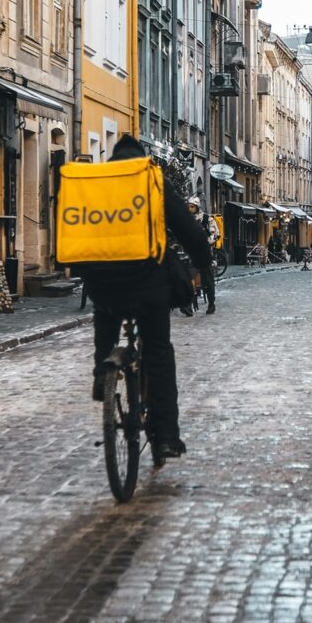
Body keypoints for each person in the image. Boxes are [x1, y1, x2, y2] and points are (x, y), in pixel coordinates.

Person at [78, 136, 212, 464]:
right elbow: (189, 230)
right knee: (159, 353)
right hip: (148, 285)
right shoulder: (152, 181)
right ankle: (165, 437)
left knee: (105, 318)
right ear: (141, 159)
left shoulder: (95, 185)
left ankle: (102, 374)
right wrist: (202, 262)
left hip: (103, 280)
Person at [186, 197, 218, 314]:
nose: (190, 209)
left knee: (208, 280)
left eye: (192, 207)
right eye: (188, 207)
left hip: (204, 254)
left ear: (197, 207)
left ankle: (211, 303)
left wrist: (204, 242)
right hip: (191, 255)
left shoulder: (206, 219)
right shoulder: (186, 220)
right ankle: (187, 305)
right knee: (188, 278)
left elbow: (215, 235)